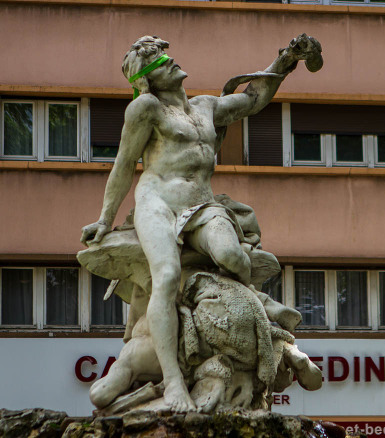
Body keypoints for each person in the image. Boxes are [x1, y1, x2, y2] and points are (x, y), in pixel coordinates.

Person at [80, 34, 322, 411]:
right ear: (148, 79)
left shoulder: (206, 106)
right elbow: (124, 164)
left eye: (168, 55)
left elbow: (253, 99)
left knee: (233, 257)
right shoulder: (145, 108)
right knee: (166, 276)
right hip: (157, 200)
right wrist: (104, 219)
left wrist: (285, 62)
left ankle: (259, 310)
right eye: (160, 62)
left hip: (201, 203)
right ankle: (174, 382)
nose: (171, 61)